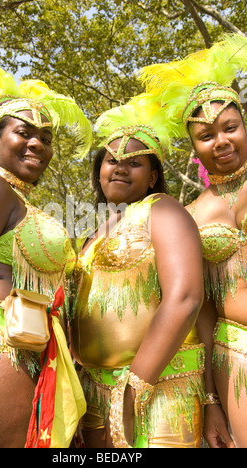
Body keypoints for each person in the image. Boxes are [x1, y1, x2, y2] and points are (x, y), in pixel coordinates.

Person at [0, 53, 91, 448]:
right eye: (23, 133)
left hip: (37, 366)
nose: (37, 144)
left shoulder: (21, 203)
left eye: (45, 139)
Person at [68, 99, 206, 448]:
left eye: (135, 163)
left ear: (153, 177)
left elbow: (186, 298)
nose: (120, 168)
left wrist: (132, 391)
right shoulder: (91, 232)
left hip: (160, 391)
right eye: (112, 160)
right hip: (94, 396)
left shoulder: (162, 210)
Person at [140, 33, 247, 448]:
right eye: (206, 136)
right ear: (194, 148)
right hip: (232, 355)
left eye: (230, 128)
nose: (220, 142)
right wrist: (210, 401)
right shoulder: (189, 216)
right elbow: (198, 309)